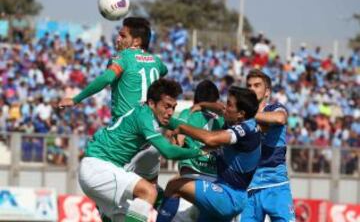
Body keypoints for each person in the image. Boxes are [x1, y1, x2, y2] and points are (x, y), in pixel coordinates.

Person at [78, 79, 205, 222]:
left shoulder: (151, 114)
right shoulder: (144, 117)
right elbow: (168, 152)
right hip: (98, 167)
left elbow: (182, 126)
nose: (170, 112)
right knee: (149, 191)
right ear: (151, 103)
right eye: (167, 106)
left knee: (126, 216)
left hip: (100, 169)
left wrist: (211, 137)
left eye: (173, 107)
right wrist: (200, 151)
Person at [156, 86, 261, 222]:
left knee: (174, 186)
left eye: (229, 104)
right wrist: (202, 105)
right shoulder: (241, 119)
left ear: (241, 113)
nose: (225, 107)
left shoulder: (244, 130)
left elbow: (210, 139)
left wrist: (183, 128)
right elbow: (220, 108)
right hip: (228, 192)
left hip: (229, 196)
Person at [58, 17, 168, 119]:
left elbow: (106, 78)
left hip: (125, 127)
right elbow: (164, 71)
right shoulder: (156, 61)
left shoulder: (123, 57)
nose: (118, 39)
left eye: (123, 36)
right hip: (149, 124)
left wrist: (75, 100)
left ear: (137, 41)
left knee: (97, 140)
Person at [240, 69, 295, 222]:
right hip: (250, 188)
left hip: (277, 184)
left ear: (267, 92)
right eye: (249, 86)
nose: (252, 89)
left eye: (257, 85)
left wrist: (248, 116)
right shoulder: (240, 117)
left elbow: (280, 119)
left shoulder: (275, 109)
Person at [173, 80, 225, 221]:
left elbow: (178, 141)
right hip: (214, 182)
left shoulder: (187, 113)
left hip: (190, 179)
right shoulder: (222, 120)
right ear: (216, 100)